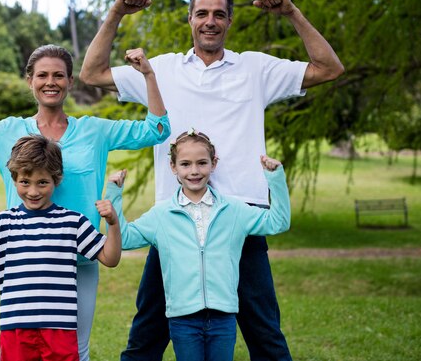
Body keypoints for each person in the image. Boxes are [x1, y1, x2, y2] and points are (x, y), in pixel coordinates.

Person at [79, 0, 344, 360]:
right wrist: (117, 11)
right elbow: (92, 73)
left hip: (240, 215)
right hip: (175, 218)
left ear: (229, 21)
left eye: (219, 14)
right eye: (202, 13)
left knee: (265, 336)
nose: (210, 21)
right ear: (190, 19)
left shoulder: (255, 68)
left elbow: (329, 68)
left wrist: (291, 12)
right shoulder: (162, 70)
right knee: (146, 336)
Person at [0, 44, 170, 361]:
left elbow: (157, 129)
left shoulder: (95, 130)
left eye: (59, 75)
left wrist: (148, 75)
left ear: (70, 81)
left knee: (76, 351)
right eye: (42, 75)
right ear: (30, 80)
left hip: (83, 257)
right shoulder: (7, 131)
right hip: (28, 264)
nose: (51, 82)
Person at [96, 130, 291, 361]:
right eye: (186, 164)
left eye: (202, 163)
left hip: (224, 317)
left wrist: (275, 180)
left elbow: (278, 222)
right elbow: (125, 239)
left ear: (214, 163)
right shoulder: (162, 215)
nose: (194, 171)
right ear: (173, 167)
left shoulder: (235, 210)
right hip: (182, 319)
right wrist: (114, 196)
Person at [0, 134, 122, 361]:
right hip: (16, 328)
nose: (33, 191)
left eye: (42, 182)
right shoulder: (3, 223)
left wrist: (112, 224)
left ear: (56, 180)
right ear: (14, 179)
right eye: (25, 182)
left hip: (60, 329)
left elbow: (110, 258)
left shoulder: (73, 222)